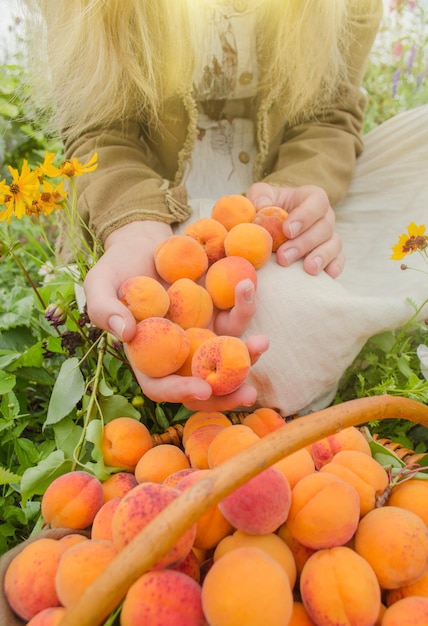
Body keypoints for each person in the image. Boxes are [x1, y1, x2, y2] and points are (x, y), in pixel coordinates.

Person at [21, 0, 428, 417]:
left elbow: (329, 113)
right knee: (276, 316)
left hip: (265, 206)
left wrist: (301, 188)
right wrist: (134, 227)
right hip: (157, 210)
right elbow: (98, 130)